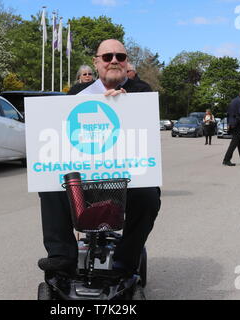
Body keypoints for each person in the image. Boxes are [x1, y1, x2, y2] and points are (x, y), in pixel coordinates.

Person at [38, 39, 160, 278]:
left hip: (124, 178)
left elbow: (148, 136)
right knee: (49, 184)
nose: (114, 60)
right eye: (107, 57)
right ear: (97, 63)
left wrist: (126, 105)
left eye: (120, 57)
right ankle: (62, 256)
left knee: (148, 196)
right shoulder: (76, 94)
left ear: (126, 63)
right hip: (84, 175)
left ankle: (126, 260)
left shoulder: (141, 91)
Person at [222, 89, 240, 167]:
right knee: (234, 143)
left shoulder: (233, 101)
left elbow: (229, 113)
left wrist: (229, 123)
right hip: (237, 124)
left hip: (233, 123)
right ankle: (226, 160)